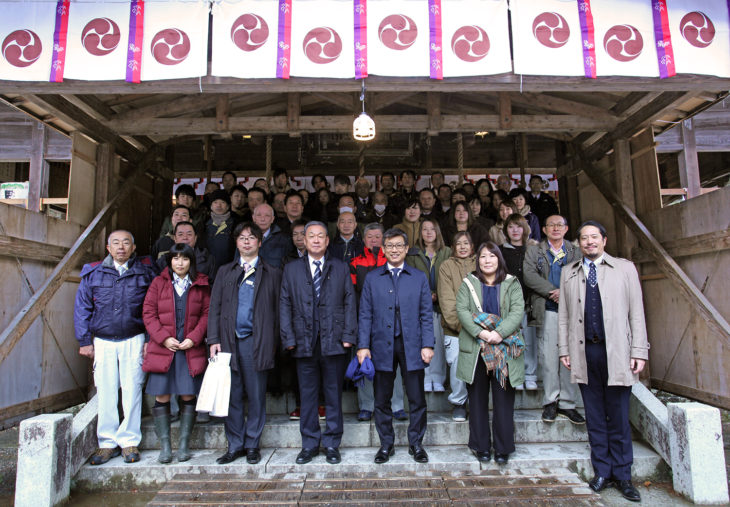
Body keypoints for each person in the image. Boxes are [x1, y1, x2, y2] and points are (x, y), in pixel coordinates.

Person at [559, 221, 649, 502]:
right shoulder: (568, 272)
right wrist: (565, 349)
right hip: (587, 352)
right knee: (595, 416)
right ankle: (602, 471)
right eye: (584, 238)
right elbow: (563, 315)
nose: (589, 242)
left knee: (619, 416)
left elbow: (636, 312)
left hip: (618, 352)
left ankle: (623, 475)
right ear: (579, 243)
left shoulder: (624, 269)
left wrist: (639, 350)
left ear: (604, 240)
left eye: (594, 237)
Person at [74, 230, 156, 465]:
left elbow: (151, 309)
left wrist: (150, 339)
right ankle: (107, 442)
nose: (121, 247)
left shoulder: (144, 274)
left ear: (133, 248)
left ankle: (130, 440)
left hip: (134, 338)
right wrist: (84, 341)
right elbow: (82, 309)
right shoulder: (93, 274)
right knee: (107, 390)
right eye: (116, 243)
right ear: (108, 248)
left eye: (126, 243)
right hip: (104, 340)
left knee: (132, 389)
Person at [280, 221, 357, 465]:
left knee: (333, 394)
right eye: (310, 236)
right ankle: (310, 444)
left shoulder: (340, 267)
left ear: (326, 241)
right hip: (303, 341)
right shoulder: (291, 269)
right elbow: (284, 304)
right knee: (308, 395)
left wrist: (348, 335)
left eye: (320, 236)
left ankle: (332, 443)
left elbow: (349, 303)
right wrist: (288, 337)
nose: (315, 240)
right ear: (303, 240)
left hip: (333, 340)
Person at [357, 228, 435, 464]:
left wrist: (428, 344)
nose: (394, 250)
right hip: (381, 344)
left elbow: (426, 314)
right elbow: (365, 314)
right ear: (383, 249)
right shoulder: (372, 278)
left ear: (406, 248)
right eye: (389, 246)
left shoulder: (419, 277)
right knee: (382, 398)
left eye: (399, 245)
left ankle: (416, 444)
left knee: (416, 398)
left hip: (412, 344)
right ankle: (386, 444)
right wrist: (363, 346)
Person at [208, 222, 282, 465]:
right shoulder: (225, 272)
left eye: (251, 237)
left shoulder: (272, 273)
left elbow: (278, 310)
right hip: (228, 342)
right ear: (236, 242)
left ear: (260, 242)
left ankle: (252, 444)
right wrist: (214, 339)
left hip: (256, 342)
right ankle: (235, 444)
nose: (247, 241)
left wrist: (275, 341)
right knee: (233, 395)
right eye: (242, 238)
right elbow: (214, 309)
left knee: (257, 395)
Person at [456, 242, 525, 464]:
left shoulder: (512, 283)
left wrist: (499, 334)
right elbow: (462, 311)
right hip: (478, 349)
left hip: (503, 349)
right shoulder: (469, 283)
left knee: (503, 399)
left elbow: (517, 311)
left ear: (499, 259)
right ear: (478, 260)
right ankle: (481, 446)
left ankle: (503, 448)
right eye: (483, 257)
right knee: (476, 400)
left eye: (492, 256)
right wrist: (482, 334)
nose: (487, 261)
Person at [142, 243, 210, 464]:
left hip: (189, 349)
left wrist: (194, 337)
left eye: (185, 259)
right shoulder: (158, 283)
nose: (180, 263)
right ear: (169, 261)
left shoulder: (200, 283)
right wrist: (163, 338)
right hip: (164, 349)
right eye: (176, 258)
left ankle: (183, 445)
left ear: (191, 261)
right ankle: (165, 447)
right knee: (162, 395)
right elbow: (148, 313)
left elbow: (208, 314)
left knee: (188, 395)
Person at [523, 215, 585, 425]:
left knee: (571, 358)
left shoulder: (575, 251)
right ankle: (550, 401)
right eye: (551, 225)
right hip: (547, 308)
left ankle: (568, 403)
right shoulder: (535, 250)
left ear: (566, 229)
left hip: (572, 310)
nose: (556, 228)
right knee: (549, 357)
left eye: (560, 225)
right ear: (544, 229)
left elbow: (582, 275)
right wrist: (552, 291)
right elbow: (529, 276)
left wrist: (565, 292)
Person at [349, 223, 407, 422]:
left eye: (377, 237)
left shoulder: (391, 260)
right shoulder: (356, 262)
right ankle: (366, 405)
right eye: (370, 237)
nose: (373, 240)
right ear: (364, 240)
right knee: (364, 361)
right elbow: (352, 293)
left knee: (395, 365)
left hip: (391, 321)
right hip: (364, 319)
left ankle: (397, 405)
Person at [406, 219, 451, 393]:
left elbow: (450, 277)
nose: (428, 232)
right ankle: (425, 377)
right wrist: (425, 295)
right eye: (425, 229)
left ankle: (438, 378)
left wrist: (438, 294)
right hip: (420, 306)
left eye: (432, 229)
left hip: (441, 305)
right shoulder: (413, 253)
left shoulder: (447, 252)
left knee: (438, 344)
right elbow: (410, 279)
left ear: (437, 231)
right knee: (423, 343)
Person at [437, 231, 475, 422]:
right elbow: (446, 300)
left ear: (472, 246)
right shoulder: (446, 266)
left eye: (466, 243)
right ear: (453, 247)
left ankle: (476, 402)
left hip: (481, 327)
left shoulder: (480, 262)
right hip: (455, 328)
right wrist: (464, 326)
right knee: (458, 364)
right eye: (458, 243)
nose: (462, 247)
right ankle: (459, 402)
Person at [499, 214, 539, 390]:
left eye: (518, 226)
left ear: (525, 229)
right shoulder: (500, 250)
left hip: (529, 300)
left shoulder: (533, 250)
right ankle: (516, 375)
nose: (515, 230)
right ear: (506, 230)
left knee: (530, 341)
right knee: (511, 339)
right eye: (511, 227)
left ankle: (530, 375)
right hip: (508, 302)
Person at [204, 189, 237, 268]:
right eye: (215, 202)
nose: (219, 205)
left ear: (228, 206)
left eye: (222, 202)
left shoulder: (235, 224)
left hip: (230, 268)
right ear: (211, 206)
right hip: (208, 270)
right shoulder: (203, 225)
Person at [253, 203, 291, 268]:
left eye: (267, 216)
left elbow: (288, 267)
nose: (263, 219)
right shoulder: (244, 238)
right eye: (259, 215)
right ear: (253, 218)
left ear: (272, 219)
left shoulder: (283, 239)